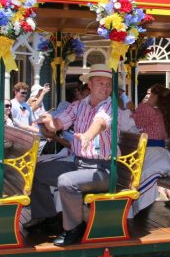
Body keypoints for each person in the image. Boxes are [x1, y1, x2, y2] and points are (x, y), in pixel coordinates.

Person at [30, 64, 115, 246]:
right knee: (36, 172)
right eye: (100, 83)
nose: (105, 87)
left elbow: (100, 123)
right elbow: (58, 124)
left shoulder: (109, 106)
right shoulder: (78, 106)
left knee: (67, 182)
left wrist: (87, 136)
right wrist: (49, 121)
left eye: (108, 84)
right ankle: (48, 217)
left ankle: (74, 228)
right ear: (89, 85)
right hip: (79, 164)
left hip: (104, 170)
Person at [123, 84, 170, 214]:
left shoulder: (147, 109)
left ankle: (131, 209)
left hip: (152, 153)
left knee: (136, 178)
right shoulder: (161, 112)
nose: (148, 97)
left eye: (150, 94)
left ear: (155, 96)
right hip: (159, 152)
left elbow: (127, 124)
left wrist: (128, 110)